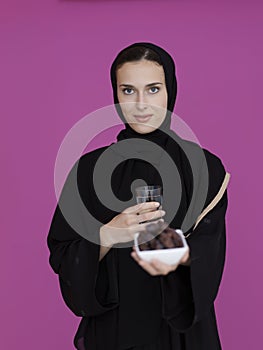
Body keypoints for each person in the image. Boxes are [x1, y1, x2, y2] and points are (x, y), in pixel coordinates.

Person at [47, 42, 230, 350]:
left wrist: (178, 256)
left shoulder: (203, 167)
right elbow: (63, 254)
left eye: (154, 89)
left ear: (170, 89)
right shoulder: (89, 171)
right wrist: (106, 234)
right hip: (114, 331)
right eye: (128, 90)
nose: (141, 104)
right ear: (115, 94)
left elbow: (210, 250)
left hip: (180, 336)